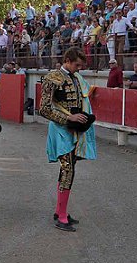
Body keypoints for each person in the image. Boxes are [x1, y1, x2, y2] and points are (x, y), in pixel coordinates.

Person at [39, 47, 97, 232]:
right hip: (60, 130)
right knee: (68, 169)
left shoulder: (75, 78)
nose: (79, 69)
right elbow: (44, 109)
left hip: (73, 130)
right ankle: (61, 216)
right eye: (77, 65)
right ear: (68, 60)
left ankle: (60, 211)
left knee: (69, 169)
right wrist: (69, 119)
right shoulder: (52, 78)